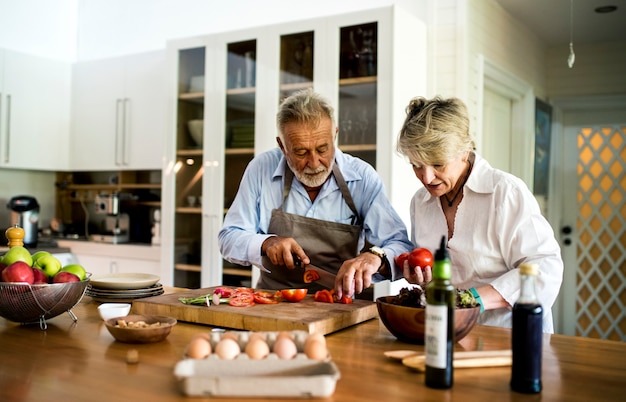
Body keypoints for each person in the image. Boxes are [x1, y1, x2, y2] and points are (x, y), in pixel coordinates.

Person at [218, 88, 413, 299]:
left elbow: (399, 245)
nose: (314, 163)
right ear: (282, 146)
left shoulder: (362, 177)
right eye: (301, 152)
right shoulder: (261, 169)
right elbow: (228, 238)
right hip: (273, 301)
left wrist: (376, 257)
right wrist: (267, 243)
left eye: (322, 149)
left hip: (339, 304)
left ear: (335, 135)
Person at [395, 95, 563, 332]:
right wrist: (424, 281)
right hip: (449, 332)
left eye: (438, 164)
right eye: (416, 165)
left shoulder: (504, 192)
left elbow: (545, 267)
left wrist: (475, 299)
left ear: (464, 151)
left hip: (511, 335)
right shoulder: (420, 202)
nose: (426, 177)